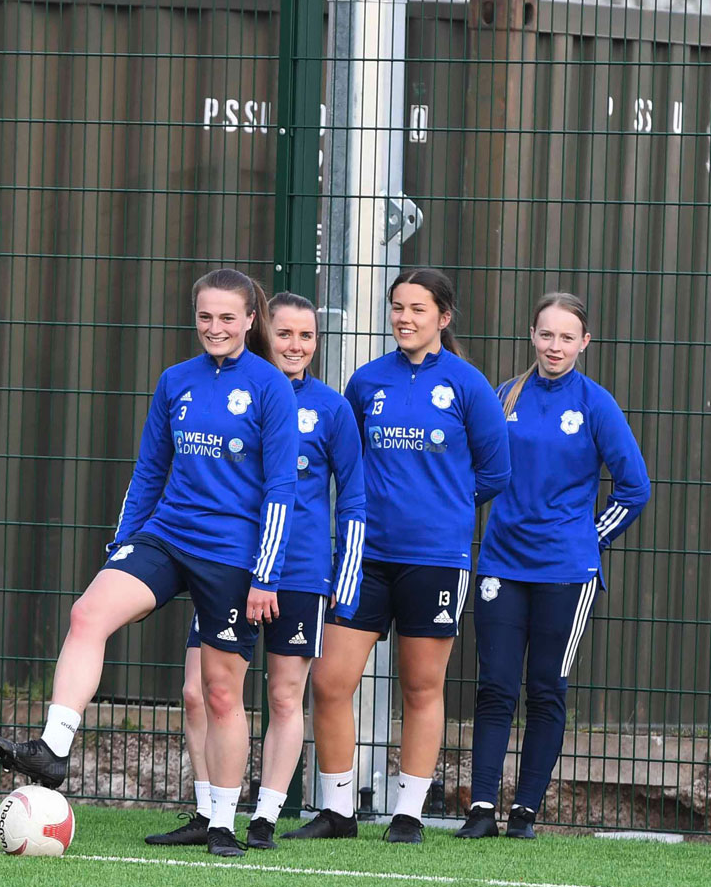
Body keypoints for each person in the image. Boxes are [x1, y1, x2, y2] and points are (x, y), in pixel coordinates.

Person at [0, 269, 298, 858]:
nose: (215, 328)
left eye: (228, 318)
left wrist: (266, 576)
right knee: (88, 613)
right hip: (166, 536)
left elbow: (282, 488)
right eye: (205, 316)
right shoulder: (175, 381)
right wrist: (122, 545)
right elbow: (149, 471)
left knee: (221, 693)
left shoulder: (271, 387)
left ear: (251, 319)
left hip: (231, 554)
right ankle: (53, 750)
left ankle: (223, 823)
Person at [285, 268, 510, 845]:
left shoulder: (467, 385)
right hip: (367, 554)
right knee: (331, 682)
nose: (404, 318)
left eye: (417, 308)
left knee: (420, 686)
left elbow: (495, 470)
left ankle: (408, 811)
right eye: (396, 308)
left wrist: (447, 506)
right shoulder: (365, 383)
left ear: (444, 317)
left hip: (435, 558)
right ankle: (338, 811)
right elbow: (349, 462)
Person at [142, 293, 365, 851]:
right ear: (264, 331)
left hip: (298, 572)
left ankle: (262, 817)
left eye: (307, 336)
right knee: (199, 692)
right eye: (285, 333)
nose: (296, 345)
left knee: (286, 696)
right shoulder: (237, 390)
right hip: (233, 566)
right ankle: (207, 810)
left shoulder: (332, 409)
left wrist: (347, 575)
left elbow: (355, 499)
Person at [457, 292, 649, 840]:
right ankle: (481, 810)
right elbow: (475, 471)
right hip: (501, 564)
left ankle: (525, 813)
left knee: (546, 688)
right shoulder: (504, 396)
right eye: (546, 335)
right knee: (495, 687)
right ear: (531, 336)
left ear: (584, 343)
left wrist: (589, 540)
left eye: (567, 337)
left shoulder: (595, 404)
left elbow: (635, 488)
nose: (555, 346)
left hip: (566, 572)